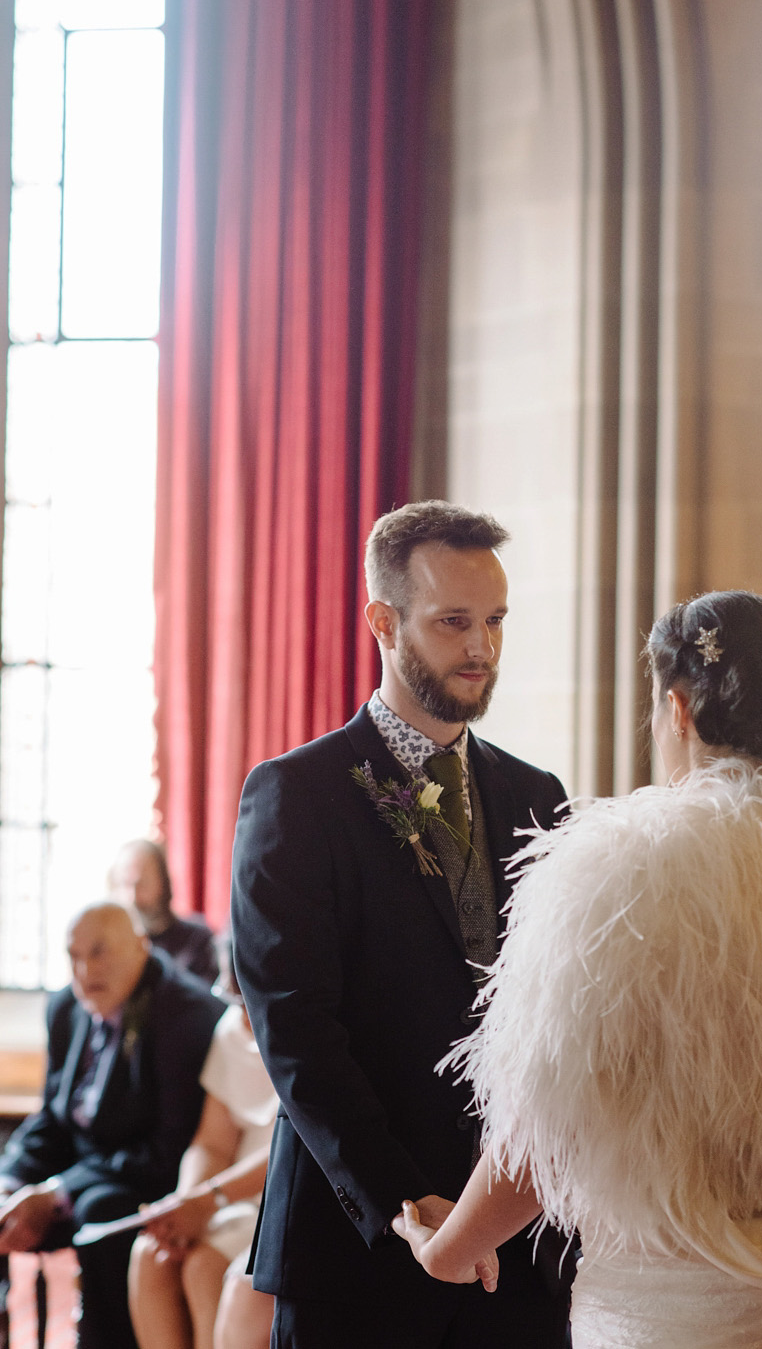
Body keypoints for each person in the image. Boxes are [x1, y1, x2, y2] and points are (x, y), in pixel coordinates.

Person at [393, 590, 762, 1349]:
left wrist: (451, 1246)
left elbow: (543, 1130)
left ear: (679, 708)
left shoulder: (615, 870)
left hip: (669, 1318)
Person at [231, 500, 572, 1347]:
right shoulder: (296, 795)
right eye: (453, 621)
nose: (482, 647)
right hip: (358, 1243)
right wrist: (402, 1199)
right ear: (384, 622)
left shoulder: (538, 796)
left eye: (494, 621)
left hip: (517, 1246)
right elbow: (297, 1031)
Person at [0, 902, 223, 1349]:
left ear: (142, 947)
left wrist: (58, 1193)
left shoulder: (187, 1016)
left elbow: (168, 1150)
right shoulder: (66, 1006)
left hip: (149, 1179)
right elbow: (54, 1117)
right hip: (85, 1166)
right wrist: (13, 1179)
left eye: (99, 952)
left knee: (102, 1210)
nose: (85, 970)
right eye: (74, 955)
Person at [128, 937, 277, 1349]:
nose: (242, 1016)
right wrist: (185, 1201)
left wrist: (208, 1200)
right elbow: (211, 1142)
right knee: (151, 1256)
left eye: (250, 1002)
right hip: (227, 1198)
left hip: (278, 1198)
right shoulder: (232, 1028)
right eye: (233, 999)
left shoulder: (308, 1035)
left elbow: (292, 1150)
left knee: (203, 1266)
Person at [111, 839, 218, 984]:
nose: (133, 898)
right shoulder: (110, 949)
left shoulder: (198, 939)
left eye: (142, 884)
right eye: (125, 885)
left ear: (163, 883)